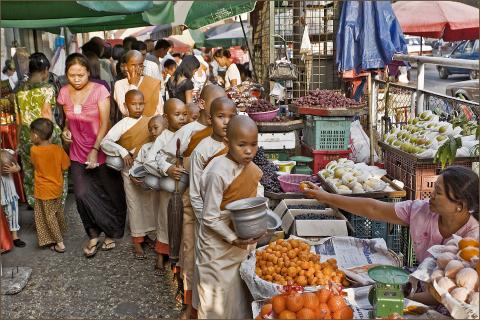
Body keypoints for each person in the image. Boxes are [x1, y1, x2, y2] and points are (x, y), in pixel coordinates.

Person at [302, 166, 479, 263]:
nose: (431, 196)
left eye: (438, 193)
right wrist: (326, 197)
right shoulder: (422, 210)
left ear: (460, 205)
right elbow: (373, 208)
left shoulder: (474, 239)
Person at [157, 84, 227, 318]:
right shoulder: (189, 131)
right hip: (191, 202)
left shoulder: (231, 131)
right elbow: (161, 155)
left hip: (221, 206)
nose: (222, 113)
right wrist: (168, 168)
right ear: (204, 105)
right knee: (191, 254)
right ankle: (190, 304)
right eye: (216, 105)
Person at [58, 53, 127, 258]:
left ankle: (112, 232)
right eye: (72, 75)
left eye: (81, 74)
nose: (76, 79)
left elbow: (105, 123)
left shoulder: (99, 90)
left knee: (108, 191)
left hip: (101, 149)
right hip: (77, 151)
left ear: (89, 72)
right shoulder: (63, 93)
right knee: (80, 194)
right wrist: (65, 132)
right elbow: (67, 121)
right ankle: (93, 233)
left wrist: (95, 150)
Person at [196, 115, 264, 319]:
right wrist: (234, 238)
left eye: (253, 144)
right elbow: (209, 217)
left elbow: (257, 195)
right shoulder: (217, 172)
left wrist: (260, 221)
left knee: (238, 300)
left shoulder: (251, 168)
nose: (249, 151)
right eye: (242, 145)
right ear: (227, 142)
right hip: (217, 248)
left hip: (242, 244)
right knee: (216, 301)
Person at [101, 89, 158, 259]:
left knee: (149, 202)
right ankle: (137, 240)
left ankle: (150, 235)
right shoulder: (123, 124)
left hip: (147, 169)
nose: (138, 107)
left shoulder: (149, 122)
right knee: (134, 203)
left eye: (141, 104)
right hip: (129, 169)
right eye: (134, 104)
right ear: (126, 106)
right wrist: (122, 151)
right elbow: (106, 142)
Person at [142, 99, 188, 274]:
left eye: (184, 114)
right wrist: (167, 169)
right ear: (166, 118)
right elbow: (149, 161)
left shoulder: (187, 133)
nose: (182, 118)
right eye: (177, 115)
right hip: (167, 190)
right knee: (164, 220)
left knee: (180, 223)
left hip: (182, 188)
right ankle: (161, 255)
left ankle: (177, 257)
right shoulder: (163, 137)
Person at [16, 52, 66, 209]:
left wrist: (19, 141)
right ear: (45, 70)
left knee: (31, 174)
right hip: (46, 136)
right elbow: (47, 115)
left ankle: (38, 209)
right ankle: (55, 208)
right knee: (55, 173)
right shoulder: (47, 89)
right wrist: (50, 141)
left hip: (26, 136)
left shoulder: (19, 91)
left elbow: (18, 120)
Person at [29, 118, 70, 252]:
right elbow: (66, 165)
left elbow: (34, 165)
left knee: (47, 216)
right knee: (56, 213)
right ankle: (58, 234)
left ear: (35, 135)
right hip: (57, 188)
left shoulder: (34, 150)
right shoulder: (57, 149)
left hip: (43, 190)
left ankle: (59, 243)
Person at [114, 50, 163, 117]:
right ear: (125, 66)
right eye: (133, 65)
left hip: (152, 124)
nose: (137, 69)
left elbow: (160, 110)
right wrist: (133, 85)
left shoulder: (152, 82)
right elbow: (126, 111)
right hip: (132, 125)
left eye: (140, 65)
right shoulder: (119, 84)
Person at [0, 149, 24, 247]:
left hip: (10, 190)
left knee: (13, 212)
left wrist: (14, 169)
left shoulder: (7, 152)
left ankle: (15, 236)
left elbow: (18, 167)